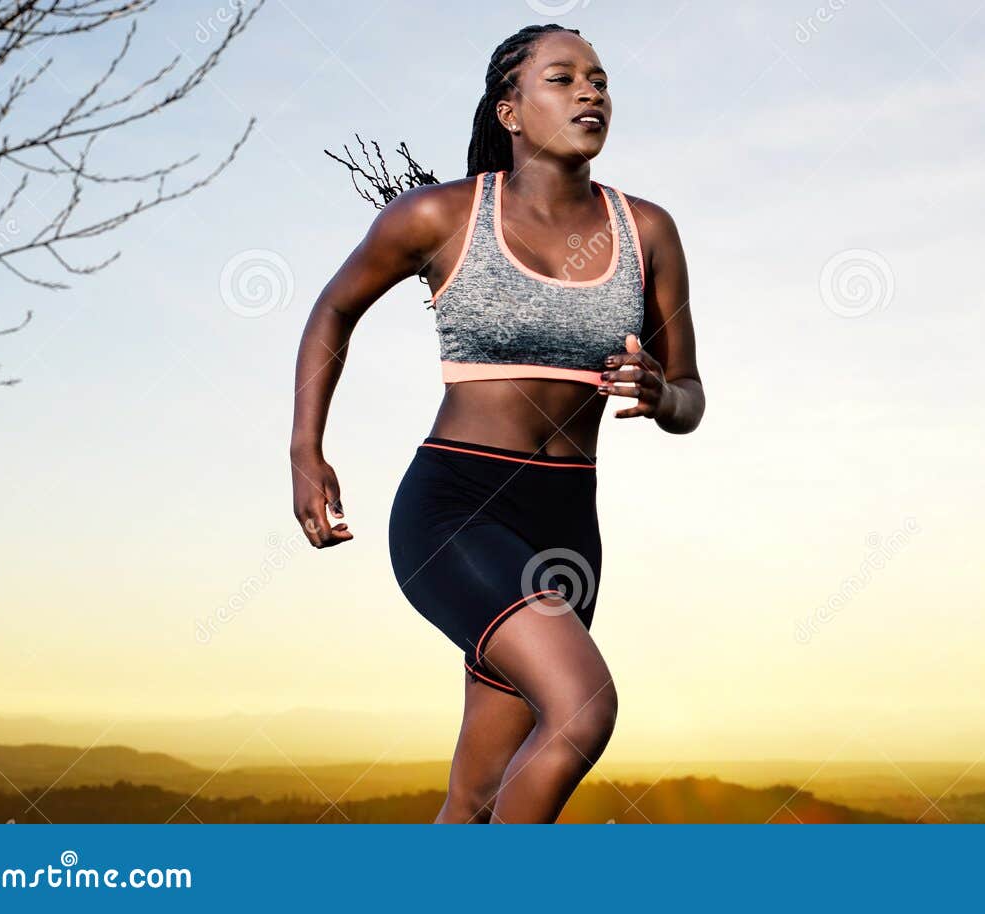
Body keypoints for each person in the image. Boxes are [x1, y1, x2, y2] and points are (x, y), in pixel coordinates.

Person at [291, 23, 704, 823]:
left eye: (601, 78)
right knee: (583, 708)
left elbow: (689, 396)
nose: (591, 90)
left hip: (565, 524)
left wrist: (662, 393)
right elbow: (333, 310)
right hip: (455, 509)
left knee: (478, 793)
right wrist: (306, 449)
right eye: (563, 78)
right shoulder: (440, 217)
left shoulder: (647, 230)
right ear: (510, 111)